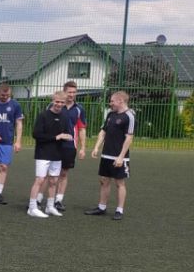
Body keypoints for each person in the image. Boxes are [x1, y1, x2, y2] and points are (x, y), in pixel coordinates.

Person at [85, 91, 135, 221]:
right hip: (106, 155)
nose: (110, 103)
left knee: (120, 183)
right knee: (104, 181)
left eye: (112, 101)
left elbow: (129, 138)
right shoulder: (110, 114)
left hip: (119, 157)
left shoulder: (129, 116)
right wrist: (96, 147)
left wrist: (121, 157)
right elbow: (103, 132)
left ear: (120, 101)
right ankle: (101, 207)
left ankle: (119, 210)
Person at [26, 91, 72, 218]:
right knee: (40, 180)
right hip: (43, 153)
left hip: (57, 154)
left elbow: (66, 133)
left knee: (53, 181)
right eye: (57, 101)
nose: (59, 104)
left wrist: (67, 136)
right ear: (53, 100)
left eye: (62, 102)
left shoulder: (65, 116)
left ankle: (50, 206)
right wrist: (56, 137)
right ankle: (32, 207)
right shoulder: (43, 115)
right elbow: (36, 134)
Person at [49, 80, 87, 212]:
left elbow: (82, 129)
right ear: (64, 92)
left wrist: (83, 148)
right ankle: (41, 198)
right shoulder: (54, 105)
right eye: (69, 92)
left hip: (70, 146)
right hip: (54, 145)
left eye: (74, 92)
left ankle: (58, 200)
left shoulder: (79, 109)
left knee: (64, 173)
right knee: (50, 172)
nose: (71, 95)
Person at [0, 83, 24, 204]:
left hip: (7, 141)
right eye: (3, 95)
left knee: (3, 166)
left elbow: (19, 123)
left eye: (7, 95)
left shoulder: (15, 105)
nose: (5, 97)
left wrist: (18, 141)